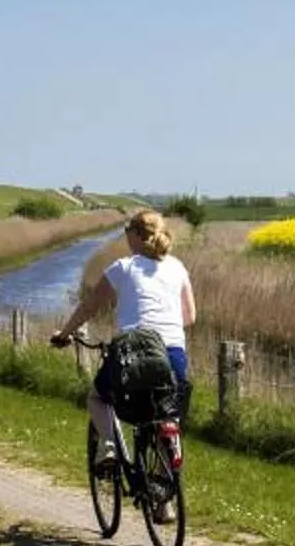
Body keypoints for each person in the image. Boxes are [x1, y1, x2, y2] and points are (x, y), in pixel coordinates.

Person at [50, 209, 195, 502]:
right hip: (175, 356)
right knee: (161, 414)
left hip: (135, 352)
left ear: (136, 235)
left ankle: (110, 447)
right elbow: (190, 316)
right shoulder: (178, 267)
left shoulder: (124, 267)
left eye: (127, 231)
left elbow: (90, 306)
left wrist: (64, 334)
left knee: (98, 397)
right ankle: (163, 502)